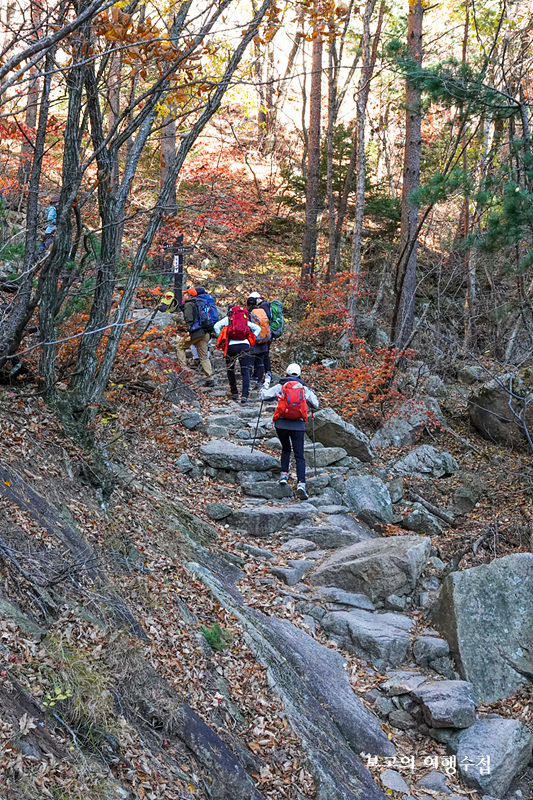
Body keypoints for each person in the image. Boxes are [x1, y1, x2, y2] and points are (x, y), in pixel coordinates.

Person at [260, 363, 319, 500]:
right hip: (298, 425)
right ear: (299, 374)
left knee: (286, 449)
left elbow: (264, 396)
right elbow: (315, 404)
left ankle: (284, 475)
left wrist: (265, 384)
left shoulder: (281, 386)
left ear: (286, 373)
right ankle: (301, 484)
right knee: (299, 455)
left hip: (281, 424)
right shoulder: (304, 389)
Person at [214, 304, 261, 403]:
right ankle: (245, 395)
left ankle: (234, 392)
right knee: (245, 371)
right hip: (245, 346)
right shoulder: (244, 320)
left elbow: (216, 326)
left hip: (231, 347)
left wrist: (222, 337)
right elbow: (258, 328)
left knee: (231, 369)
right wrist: (251, 337)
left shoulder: (228, 319)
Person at [176, 286, 214, 386]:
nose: (183, 296)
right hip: (205, 333)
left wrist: (187, 330)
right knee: (204, 357)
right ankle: (209, 378)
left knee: (180, 347)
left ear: (189, 296)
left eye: (185, 294)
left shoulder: (189, 304)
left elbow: (189, 319)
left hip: (196, 332)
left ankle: (183, 372)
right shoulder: (200, 303)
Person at [247, 293, 271, 388]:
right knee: (261, 361)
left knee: (251, 361)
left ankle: (250, 381)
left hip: (255, 340)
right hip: (264, 338)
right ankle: (259, 381)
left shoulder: (250, 314)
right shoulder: (262, 311)